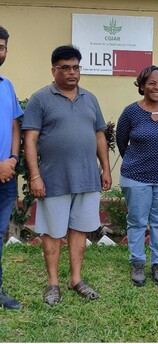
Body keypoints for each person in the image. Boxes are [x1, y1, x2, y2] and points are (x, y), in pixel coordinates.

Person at [22, 45, 112, 306]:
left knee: (80, 229)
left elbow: (99, 136)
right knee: (52, 232)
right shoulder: (40, 99)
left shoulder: (90, 99)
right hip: (53, 179)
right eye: (65, 68)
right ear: (54, 70)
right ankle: (53, 283)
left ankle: (76, 279)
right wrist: (35, 176)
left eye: (76, 67)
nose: (72, 72)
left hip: (87, 178)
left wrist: (105, 169)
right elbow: (30, 139)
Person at [116, 65, 158, 287]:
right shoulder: (131, 112)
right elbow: (121, 140)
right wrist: (135, 161)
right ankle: (138, 262)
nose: (157, 87)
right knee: (137, 221)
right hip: (136, 176)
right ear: (142, 85)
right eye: (152, 83)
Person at [0, 26, 23, 310]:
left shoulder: (6, 85)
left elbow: (16, 124)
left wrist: (13, 159)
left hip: (7, 176)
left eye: (2, 46)